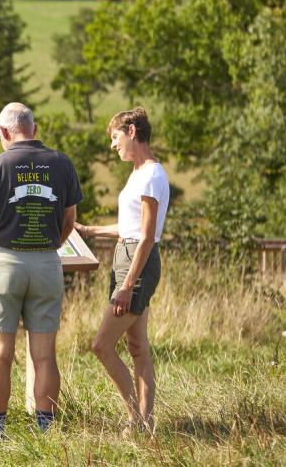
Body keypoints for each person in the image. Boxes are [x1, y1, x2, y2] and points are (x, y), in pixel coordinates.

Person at [0, 102, 83, 440]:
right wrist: (49, 247)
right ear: (35, 128)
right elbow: (69, 220)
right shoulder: (62, 163)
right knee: (45, 355)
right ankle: (45, 430)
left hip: (5, 263)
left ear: (4, 132)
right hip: (47, 262)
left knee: (1, 355)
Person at [76, 106, 169, 434]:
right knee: (137, 346)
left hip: (137, 263)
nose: (112, 145)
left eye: (115, 137)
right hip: (127, 256)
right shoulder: (138, 173)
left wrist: (128, 284)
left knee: (101, 345)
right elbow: (129, 227)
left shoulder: (152, 176)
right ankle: (147, 421)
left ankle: (136, 418)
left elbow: (145, 236)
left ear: (132, 132)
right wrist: (88, 230)